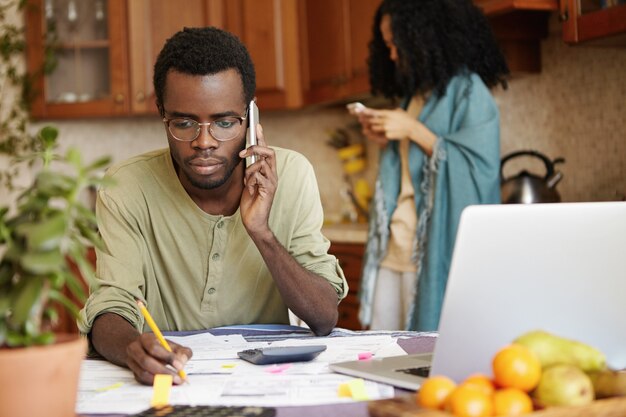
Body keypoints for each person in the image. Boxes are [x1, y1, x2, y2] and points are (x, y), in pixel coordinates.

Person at [79, 27, 347, 385]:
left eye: (224, 122)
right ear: (162, 114)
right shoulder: (126, 186)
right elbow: (112, 302)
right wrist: (133, 347)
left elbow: (325, 316)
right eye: (184, 123)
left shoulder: (292, 175)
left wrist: (261, 232)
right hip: (172, 379)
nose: (204, 142)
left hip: (263, 381)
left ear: (251, 117)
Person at [356, 0, 509, 331]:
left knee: (422, 359)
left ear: (423, 37)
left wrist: (411, 129)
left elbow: (478, 171)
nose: (393, 54)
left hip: (429, 255)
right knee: (384, 356)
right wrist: (388, 138)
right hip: (394, 249)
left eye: (396, 43)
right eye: (387, 46)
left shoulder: (469, 92)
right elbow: (416, 165)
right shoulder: (416, 96)